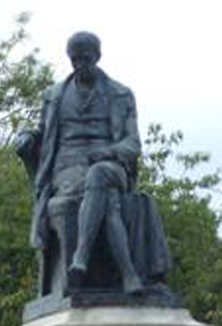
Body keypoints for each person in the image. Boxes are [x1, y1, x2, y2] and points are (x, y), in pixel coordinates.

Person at [16, 31, 150, 296]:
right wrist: (26, 137)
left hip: (110, 164)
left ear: (97, 57)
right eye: (74, 60)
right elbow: (43, 133)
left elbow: (133, 143)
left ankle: (81, 258)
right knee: (106, 199)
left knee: (99, 175)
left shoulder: (121, 94)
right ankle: (128, 275)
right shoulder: (53, 96)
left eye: (85, 59)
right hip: (66, 168)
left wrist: (109, 152)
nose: (80, 65)